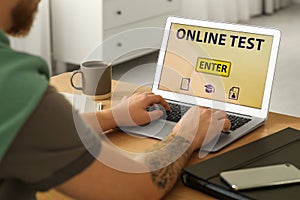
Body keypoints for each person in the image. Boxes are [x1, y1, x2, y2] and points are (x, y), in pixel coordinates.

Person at [0, 0, 231, 199]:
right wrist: (187, 134)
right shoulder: (11, 85)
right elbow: (138, 187)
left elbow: (36, 130)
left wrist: (112, 116)